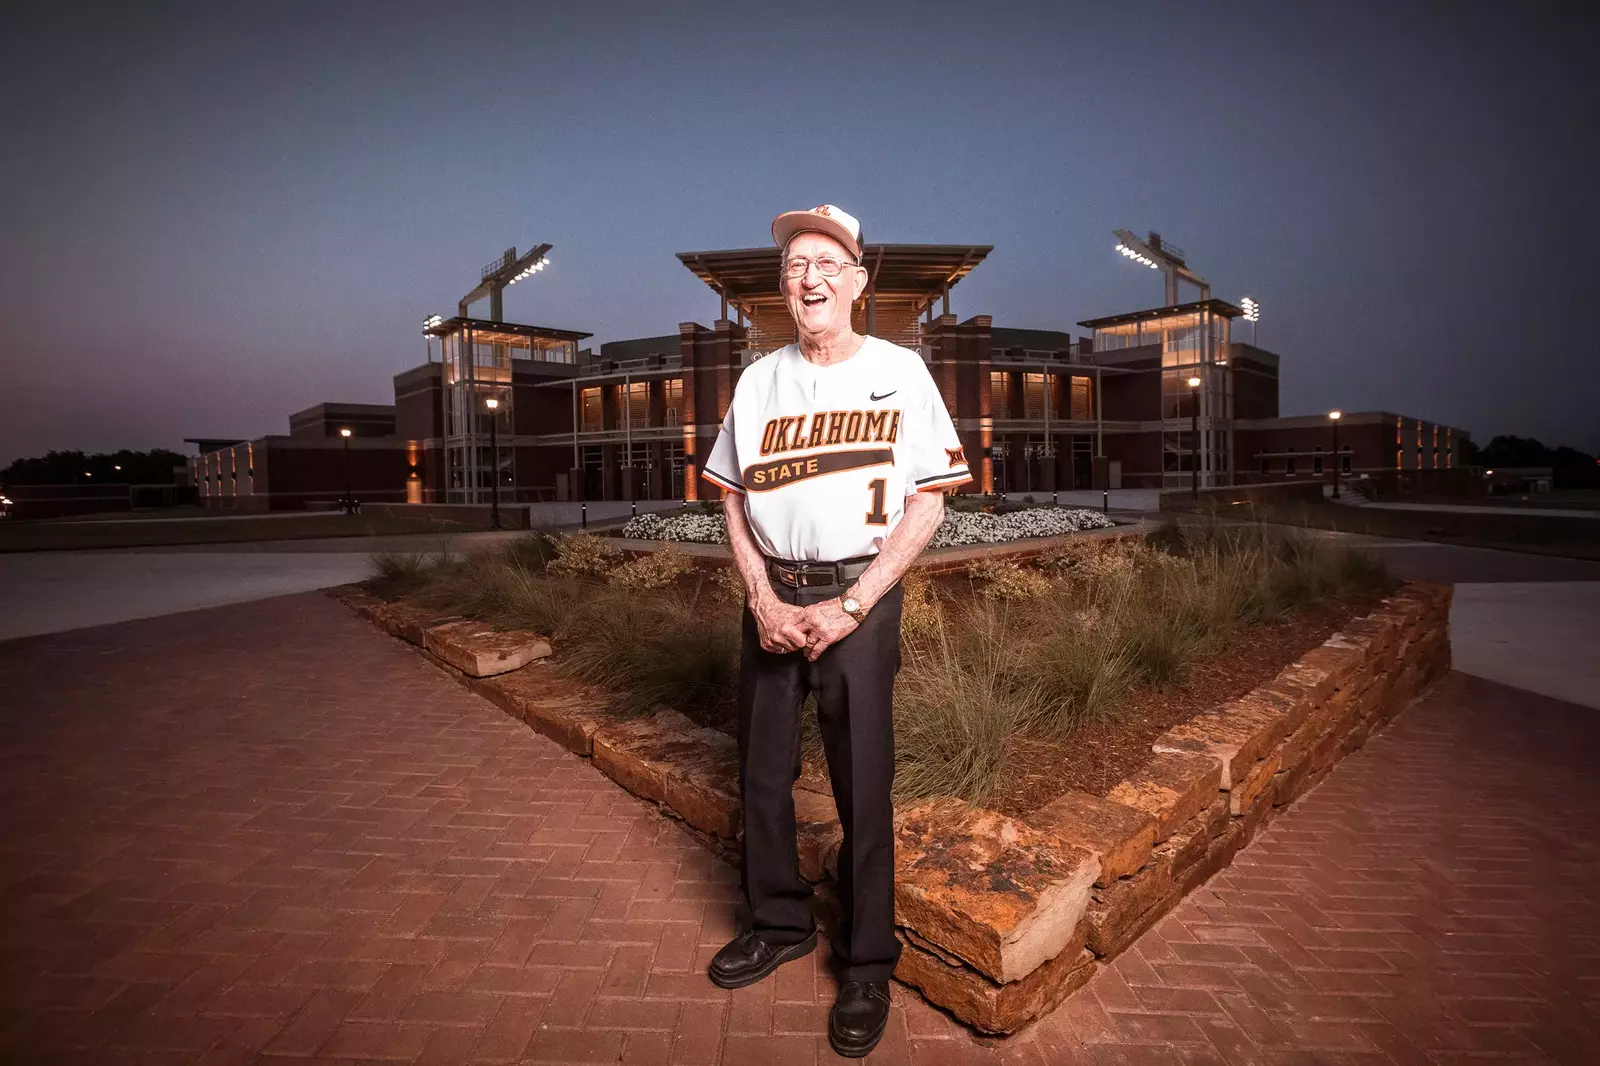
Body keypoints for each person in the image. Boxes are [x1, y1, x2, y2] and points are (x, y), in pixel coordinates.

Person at [701, 205, 971, 1057]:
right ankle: (778, 923)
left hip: (859, 598)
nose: (806, 277)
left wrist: (854, 605)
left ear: (856, 281)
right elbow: (732, 497)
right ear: (782, 287)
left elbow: (930, 497)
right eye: (791, 266)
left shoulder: (901, 370)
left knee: (862, 787)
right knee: (762, 774)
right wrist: (762, 601)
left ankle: (865, 961)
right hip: (773, 599)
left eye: (824, 262)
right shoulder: (758, 381)